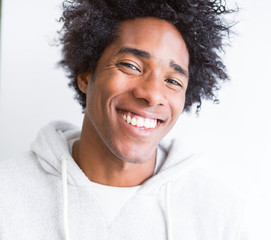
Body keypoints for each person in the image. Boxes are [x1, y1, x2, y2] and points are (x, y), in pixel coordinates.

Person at [0, 0, 247, 239]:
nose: (152, 95)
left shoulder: (219, 215)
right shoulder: (7, 193)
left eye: (173, 81)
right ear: (86, 75)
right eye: (131, 66)